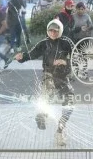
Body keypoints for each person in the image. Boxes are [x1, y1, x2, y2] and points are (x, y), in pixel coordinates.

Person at [14, 19, 74, 147]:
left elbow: (78, 59)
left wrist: (65, 62)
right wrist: (21, 57)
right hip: (49, 74)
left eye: (55, 30)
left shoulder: (67, 43)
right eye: (50, 30)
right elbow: (31, 54)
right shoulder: (43, 43)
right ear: (47, 30)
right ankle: (41, 114)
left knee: (70, 102)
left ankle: (60, 130)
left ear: (60, 30)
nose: (53, 32)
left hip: (63, 76)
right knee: (48, 90)